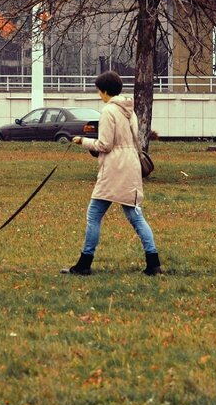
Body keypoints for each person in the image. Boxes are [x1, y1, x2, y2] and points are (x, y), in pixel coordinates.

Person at [61, 70, 161, 276]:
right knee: (135, 216)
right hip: (131, 165)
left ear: (105, 91)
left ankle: (84, 263)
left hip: (114, 168)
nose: (99, 94)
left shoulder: (108, 111)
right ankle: (153, 263)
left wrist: (82, 141)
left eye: (99, 91)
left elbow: (105, 145)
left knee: (94, 215)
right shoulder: (129, 110)